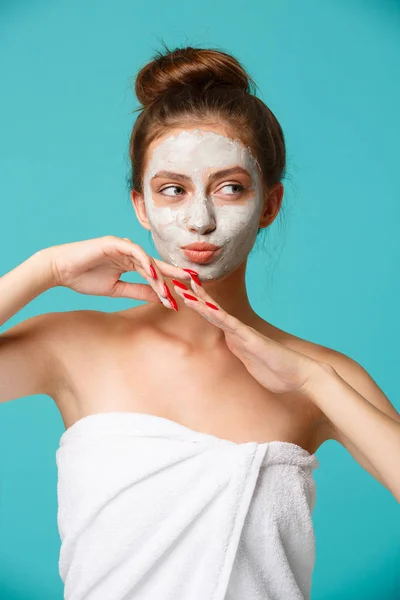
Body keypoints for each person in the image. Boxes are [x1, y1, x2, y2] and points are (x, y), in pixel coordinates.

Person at [1, 45, 399, 600]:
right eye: (173, 190)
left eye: (230, 187)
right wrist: (44, 269)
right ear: (140, 205)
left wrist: (313, 383)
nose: (200, 220)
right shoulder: (71, 345)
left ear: (269, 204)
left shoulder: (323, 376)